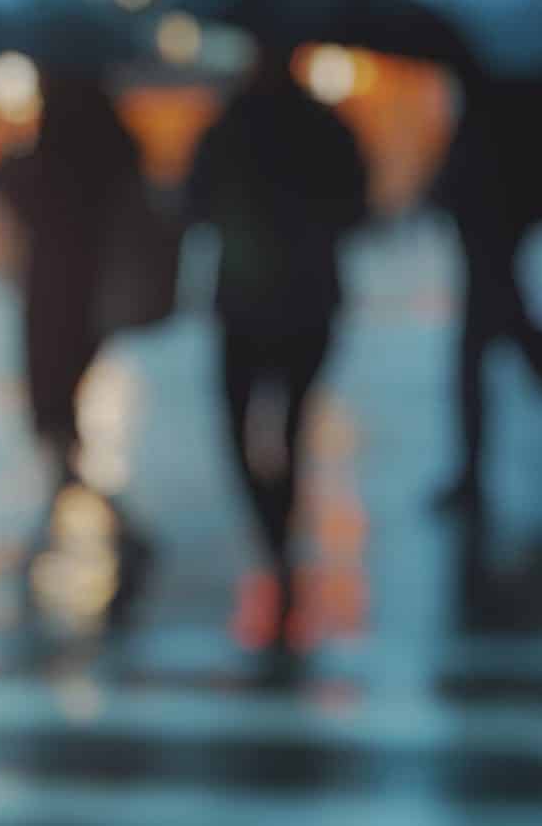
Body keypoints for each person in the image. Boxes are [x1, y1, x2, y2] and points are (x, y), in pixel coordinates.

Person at [185, 48, 370, 650]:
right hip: (308, 300)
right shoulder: (324, 127)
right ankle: (278, 535)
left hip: (246, 299)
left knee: (241, 427)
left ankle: (273, 535)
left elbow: (193, 204)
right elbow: (358, 207)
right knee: (288, 426)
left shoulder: (228, 127)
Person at [0, 73, 145, 495]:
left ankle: (81, 491)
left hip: (57, 284)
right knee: (62, 391)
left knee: (52, 393)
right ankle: (75, 485)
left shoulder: (51, 152)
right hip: (89, 281)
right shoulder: (113, 142)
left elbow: (16, 191)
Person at [430, 77, 542, 513]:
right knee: (501, 339)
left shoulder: (499, 93)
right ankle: (470, 474)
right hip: (492, 232)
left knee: (490, 346)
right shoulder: (515, 86)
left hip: (490, 231)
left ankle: (470, 475)